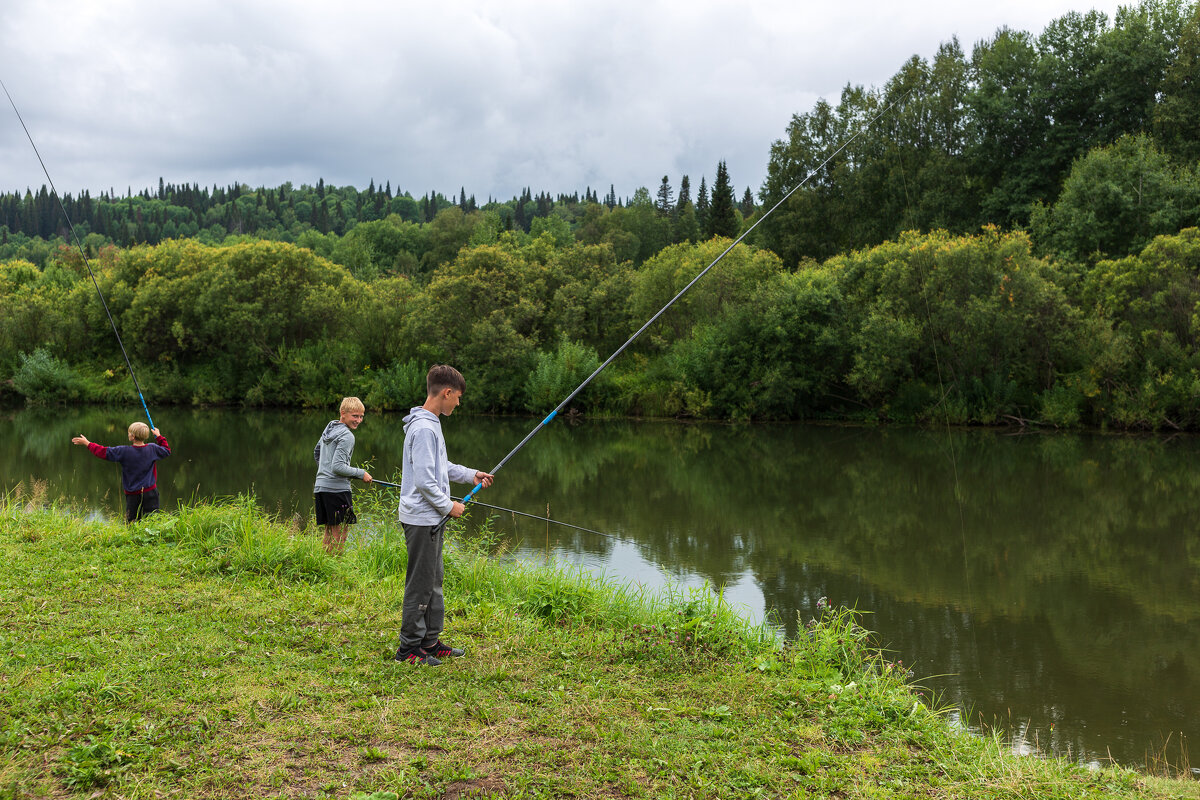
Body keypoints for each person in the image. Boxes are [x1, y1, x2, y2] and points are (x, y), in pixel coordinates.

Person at [396, 364, 493, 666]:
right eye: (458, 397)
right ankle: (409, 650)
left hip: (432, 519)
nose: (458, 403)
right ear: (447, 392)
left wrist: (471, 475)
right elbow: (425, 481)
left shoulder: (431, 423)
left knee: (434, 582)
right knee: (421, 584)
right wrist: (450, 506)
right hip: (422, 519)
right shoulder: (424, 428)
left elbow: (441, 467)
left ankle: (430, 641)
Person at [72, 421, 171, 523]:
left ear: (132, 436)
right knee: (152, 520)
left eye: (129, 433)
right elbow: (166, 450)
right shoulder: (153, 448)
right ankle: (152, 537)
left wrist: (87, 443)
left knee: (132, 521)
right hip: (151, 493)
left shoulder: (124, 451)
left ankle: (133, 538)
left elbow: (103, 452)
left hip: (133, 494)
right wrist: (159, 436)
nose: (128, 434)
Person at [313, 396, 373, 554]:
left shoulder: (329, 430)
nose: (358, 420)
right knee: (340, 535)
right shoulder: (347, 436)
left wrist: (325, 473)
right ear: (343, 413)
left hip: (321, 488)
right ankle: (335, 571)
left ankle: (324, 566)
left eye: (361, 416)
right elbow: (338, 467)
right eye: (355, 416)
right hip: (336, 490)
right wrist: (361, 473)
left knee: (329, 532)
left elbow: (317, 453)